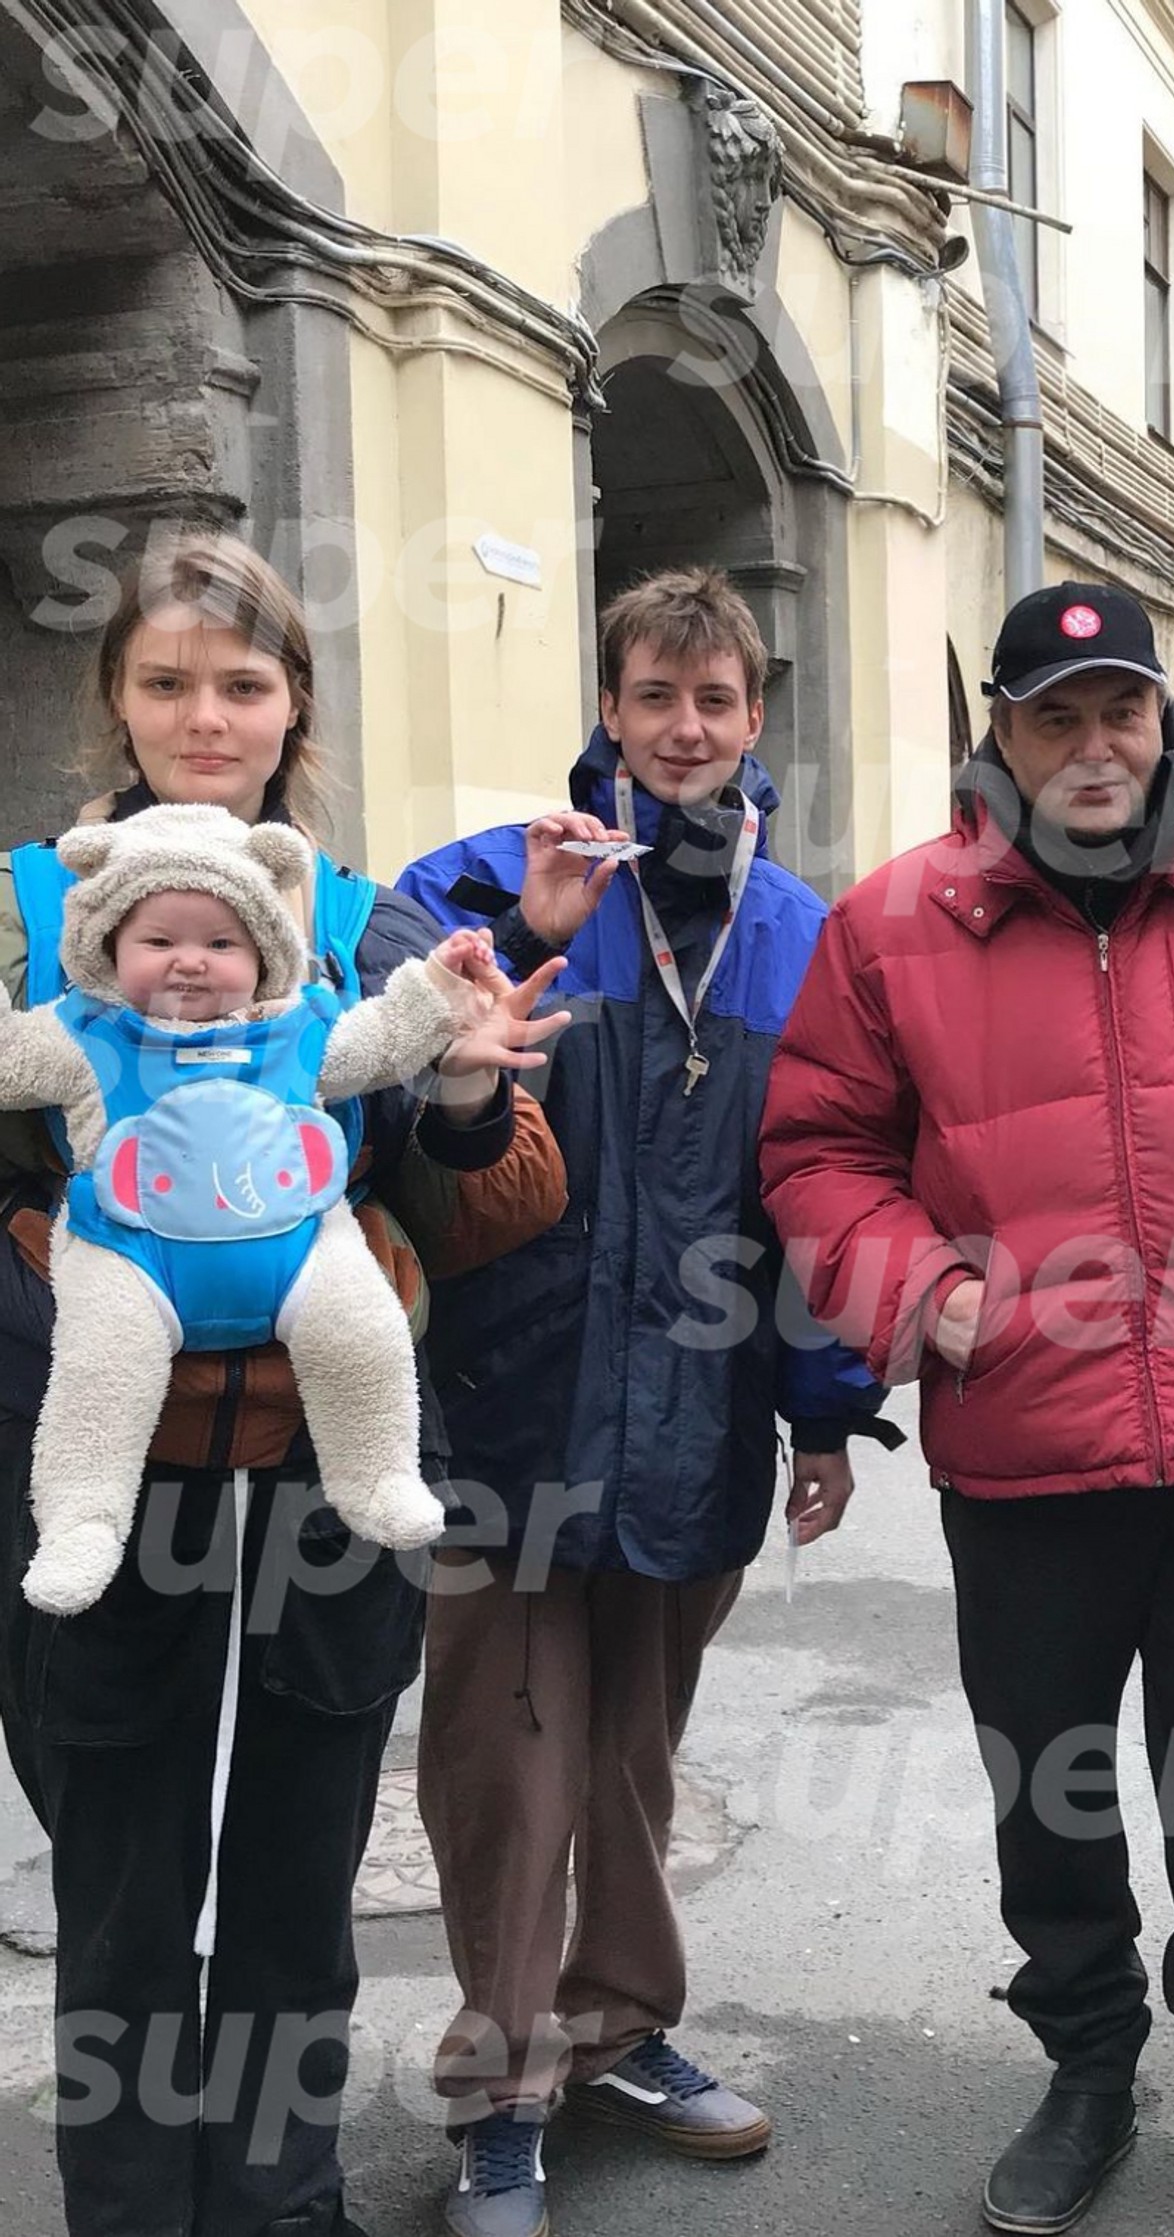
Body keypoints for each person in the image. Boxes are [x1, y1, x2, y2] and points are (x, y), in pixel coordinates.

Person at [759, 581, 1174, 2237]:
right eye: (1053, 716)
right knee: (1050, 1784)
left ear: (1161, 722)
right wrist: (931, 1297)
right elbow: (819, 1153)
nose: (1092, 745)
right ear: (1002, 733)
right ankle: (1085, 2069)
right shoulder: (895, 924)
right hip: (1026, 1449)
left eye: (1119, 710)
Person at [0, 531, 568, 2237]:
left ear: (293, 703)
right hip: (103, 1455)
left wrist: (461, 1099)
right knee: (121, 1879)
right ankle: (130, 2208)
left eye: (241, 684)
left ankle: (279, 2201)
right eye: (166, 680)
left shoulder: (364, 925)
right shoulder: (26, 912)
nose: (204, 716)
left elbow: (484, 1208)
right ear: (115, 697)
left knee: (300, 1869)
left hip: (329, 1456)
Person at [398, 566, 893, 2237]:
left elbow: (828, 1185)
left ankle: (617, 2027)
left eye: (716, 700)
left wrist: (824, 1409)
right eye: (656, 696)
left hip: (698, 1419)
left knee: (629, 1754)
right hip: (509, 1408)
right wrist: (528, 945)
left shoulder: (802, 933)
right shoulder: (478, 882)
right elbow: (393, 1101)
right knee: (505, 1760)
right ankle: (500, 2091)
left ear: (755, 720)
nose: (686, 727)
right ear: (608, 709)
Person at [0, 804, 564, 1612]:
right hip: (130, 1252)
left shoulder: (296, 1028)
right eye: (158, 941)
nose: (189, 961)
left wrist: (440, 983)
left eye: (220, 943)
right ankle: (80, 1520)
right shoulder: (82, 1032)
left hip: (299, 1246)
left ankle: (377, 1473)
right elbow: (9, 1062)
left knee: (364, 1331)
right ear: (107, 947)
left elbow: (384, 1038)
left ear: (264, 952)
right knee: (98, 1370)